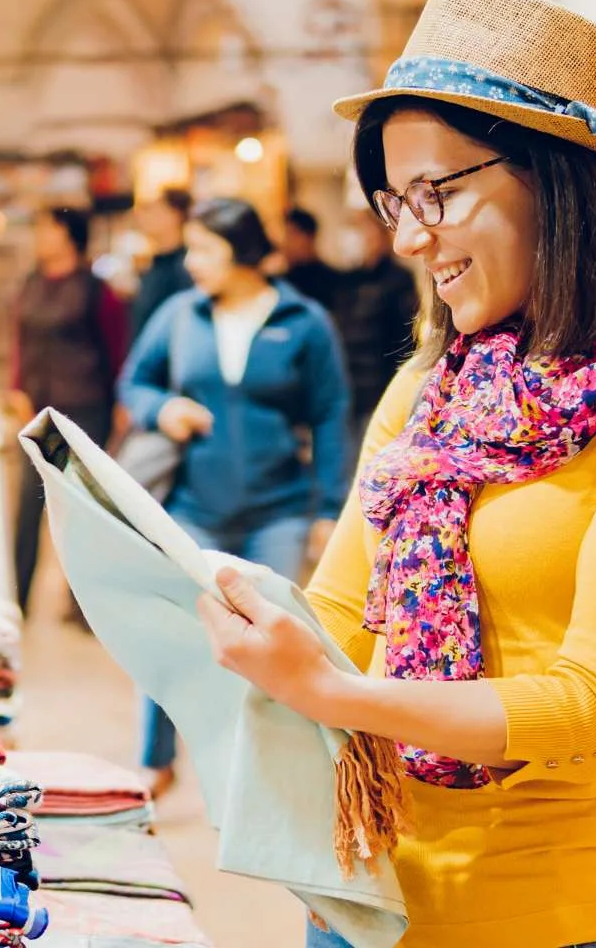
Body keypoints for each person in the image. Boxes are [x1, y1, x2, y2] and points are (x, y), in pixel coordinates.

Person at [185, 0, 596, 948]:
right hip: (359, 902)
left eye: (436, 194)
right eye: (394, 201)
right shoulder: (431, 388)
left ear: (556, 181)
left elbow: (587, 704)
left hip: (542, 917)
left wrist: (338, 696)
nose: (411, 239)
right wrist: (216, 598)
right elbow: (337, 612)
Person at [119, 197, 352, 797]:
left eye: (204, 249)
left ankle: (268, 775)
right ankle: (156, 759)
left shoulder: (303, 320)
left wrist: (329, 508)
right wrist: (162, 408)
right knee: (172, 629)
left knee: (272, 642)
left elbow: (330, 417)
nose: (191, 262)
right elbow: (135, 381)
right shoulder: (179, 314)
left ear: (241, 252)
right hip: (194, 506)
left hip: (278, 509)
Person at [10, 206, 128, 617]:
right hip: (38, 410)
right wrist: (16, 388)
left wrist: (121, 404)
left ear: (69, 236)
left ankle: (85, 608)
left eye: (48, 228)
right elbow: (19, 341)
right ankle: (17, 598)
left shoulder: (97, 290)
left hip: (84, 408)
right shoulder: (32, 282)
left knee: (81, 510)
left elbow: (116, 347)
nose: (40, 236)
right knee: (28, 504)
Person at [332, 209, 424, 445]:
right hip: (349, 389)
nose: (362, 239)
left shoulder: (398, 279)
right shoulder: (348, 279)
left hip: (381, 387)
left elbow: (406, 337)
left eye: (368, 233)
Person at [130, 188, 196, 337]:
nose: (143, 217)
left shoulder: (186, 265)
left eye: (155, 210)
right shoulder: (155, 264)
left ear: (176, 215)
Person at [279, 207, 341, 307]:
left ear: (309, 237)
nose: (285, 243)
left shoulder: (334, 283)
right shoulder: (282, 282)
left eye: (291, 234)